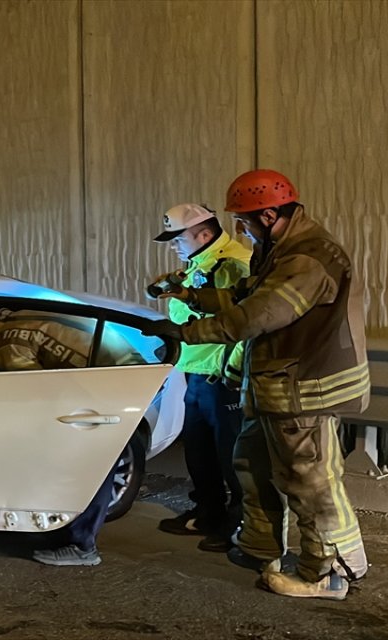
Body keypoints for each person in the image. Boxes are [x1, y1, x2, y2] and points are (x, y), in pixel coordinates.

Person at [141, 170, 369, 600]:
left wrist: (186, 332)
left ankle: (332, 571)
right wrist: (191, 297)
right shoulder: (280, 250)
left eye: (244, 221)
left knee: (310, 479)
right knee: (251, 461)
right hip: (277, 385)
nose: (241, 230)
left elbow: (256, 316)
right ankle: (259, 544)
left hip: (304, 389)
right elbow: (246, 294)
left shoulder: (307, 258)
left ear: (269, 214)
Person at [0, 307, 143, 567]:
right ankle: (72, 535)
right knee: (97, 463)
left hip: (110, 386)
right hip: (130, 370)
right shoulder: (24, 314)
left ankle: (81, 546)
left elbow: (34, 388)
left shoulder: (7, 342)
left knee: (89, 467)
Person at [149, 204, 252, 552]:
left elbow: (246, 322)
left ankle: (239, 524)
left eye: (178, 239)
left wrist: (235, 369)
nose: (174, 246)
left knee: (231, 456)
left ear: (204, 234)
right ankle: (208, 512)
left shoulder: (234, 264)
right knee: (199, 451)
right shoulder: (201, 262)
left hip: (221, 376)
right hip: (196, 371)